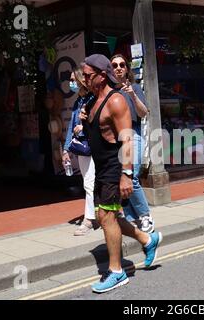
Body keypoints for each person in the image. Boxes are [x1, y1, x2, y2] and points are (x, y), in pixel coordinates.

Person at [80, 54, 162, 293]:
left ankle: (116, 272)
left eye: (87, 75)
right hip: (101, 167)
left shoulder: (116, 101)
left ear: (101, 75)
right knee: (109, 217)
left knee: (106, 217)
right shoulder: (92, 102)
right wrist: (84, 120)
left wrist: (127, 174)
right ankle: (148, 239)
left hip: (115, 167)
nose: (83, 79)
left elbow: (127, 140)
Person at [110, 54, 155, 233]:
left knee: (131, 177)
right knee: (120, 179)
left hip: (133, 134)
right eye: (114, 65)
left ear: (127, 69)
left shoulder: (135, 87)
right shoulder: (108, 92)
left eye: (122, 64)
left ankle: (145, 216)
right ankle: (131, 217)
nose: (119, 67)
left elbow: (144, 113)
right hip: (115, 139)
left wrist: (133, 96)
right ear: (110, 69)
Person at [63, 66, 98, 236]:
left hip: (94, 146)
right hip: (82, 149)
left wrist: (82, 129)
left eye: (72, 80)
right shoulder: (78, 102)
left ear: (81, 80)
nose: (71, 84)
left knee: (90, 183)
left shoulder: (93, 99)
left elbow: (98, 123)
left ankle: (89, 220)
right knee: (89, 182)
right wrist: (65, 150)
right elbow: (71, 127)